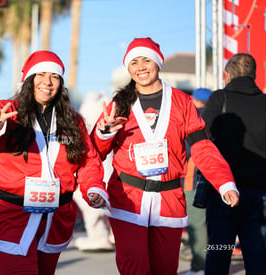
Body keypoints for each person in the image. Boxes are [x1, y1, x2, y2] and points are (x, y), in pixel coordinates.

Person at [90, 37, 239, 275]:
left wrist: (224, 182)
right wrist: (103, 134)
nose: (140, 67)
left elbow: (202, 146)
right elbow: (94, 151)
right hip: (128, 199)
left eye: (146, 60)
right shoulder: (119, 103)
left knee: (165, 269)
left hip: (169, 203)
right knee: (135, 268)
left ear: (158, 63)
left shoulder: (182, 102)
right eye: (134, 62)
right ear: (128, 68)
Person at [0, 50, 109, 274]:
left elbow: (88, 160)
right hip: (14, 216)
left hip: (55, 219)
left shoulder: (72, 120)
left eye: (54, 76)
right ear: (29, 79)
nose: (47, 82)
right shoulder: (8, 109)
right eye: (41, 74)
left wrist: (93, 187)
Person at [202, 53, 266, 274]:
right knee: (258, 256)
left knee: (219, 253)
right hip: (260, 194)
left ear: (227, 75)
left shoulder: (220, 98)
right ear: (254, 75)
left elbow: (204, 139)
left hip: (224, 193)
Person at [73, 92, 115, 252]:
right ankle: (110, 234)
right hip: (107, 169)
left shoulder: (86, 119)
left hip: (96, 171)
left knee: (92, 206)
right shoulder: (100, 118)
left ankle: (99, 237)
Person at [181, 88, 212, 275]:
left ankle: (200, 266)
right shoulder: (217, 117)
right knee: (210, 223)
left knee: (196, 224)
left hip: (193, 178)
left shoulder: (194, 119)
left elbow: (186, 152)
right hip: (215, 178)